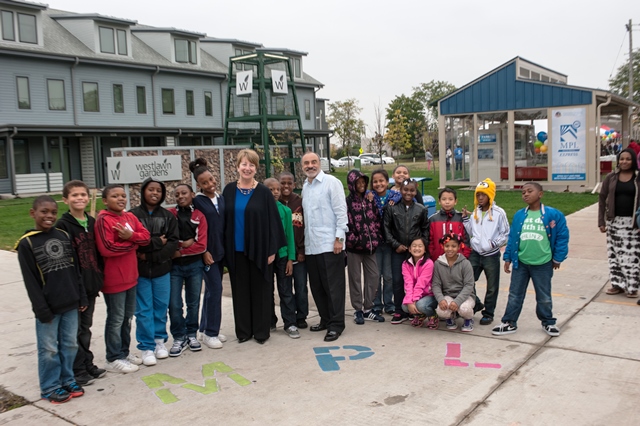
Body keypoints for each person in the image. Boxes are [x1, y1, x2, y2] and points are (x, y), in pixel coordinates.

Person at [16, 196, 88, 404]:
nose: (49, 216)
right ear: (33, 213)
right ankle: (50, 386)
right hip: (48, 307)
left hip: (71, 303)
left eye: (53, 212)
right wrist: (41, 309)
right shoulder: (27, 243)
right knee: (48, 349)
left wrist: (81, 296)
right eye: (44, 212)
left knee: (70, 344)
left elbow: (75, 270)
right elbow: (31, 282)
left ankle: (68, 379)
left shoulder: (64, 236)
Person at [223, 149, 285, 344]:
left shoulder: (264, 192)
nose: (247, 168)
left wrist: (271, 250)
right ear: (238, 166)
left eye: (251, 165)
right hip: (236, 250)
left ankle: (261, 331)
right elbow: (224, 221)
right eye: (244, 164)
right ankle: (243, 331)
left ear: (256, 168)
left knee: (261, 292)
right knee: (240, 292)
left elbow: (274, 223)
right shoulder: (229, 190)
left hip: (260, 251)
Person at [492, 182, 569, 337]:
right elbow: (513, 237)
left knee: (544, 296)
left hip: (543, 263)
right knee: (515, 294)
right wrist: (507, 257)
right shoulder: (521, 215)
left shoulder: (553, 215)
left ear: (540, 194)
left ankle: (548, 322)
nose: (525, 194)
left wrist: (558, 258)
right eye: (523, 192)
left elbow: (562, 237)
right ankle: (509, 322)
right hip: (521, 263)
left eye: (529, 191)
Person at [95, 184, 150, 373]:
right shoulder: (104, 220)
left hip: (131, 277)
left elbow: (146, 237)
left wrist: (130, 236)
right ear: (105, 201)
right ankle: (112, 357)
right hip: (114, 280)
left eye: (123, 196)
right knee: (116, 318)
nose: (120, 199)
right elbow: (107, 248)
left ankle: (124, 352)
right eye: (115, 196)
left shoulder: (129, 217)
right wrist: (133, 244)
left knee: (127, 318)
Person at [56, 181, 106, 386]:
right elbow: (69, 262)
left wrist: (99, 278)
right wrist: (79, 292)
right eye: (74, 195)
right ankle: (76, 370)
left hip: (91, 284)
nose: (79, 198)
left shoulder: (91, 221)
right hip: (75, 288)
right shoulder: (63, 226)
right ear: (65, 199)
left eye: (83, 195)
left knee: (85, 327)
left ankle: (87, 363)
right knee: (74, 331)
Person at [130, 178, 179, 366]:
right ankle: (146, 347)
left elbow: (173, 243)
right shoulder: (132, 216)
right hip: (140, 272)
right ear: (143, 192)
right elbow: (134, 243)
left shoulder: (168, 217)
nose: (154, 193)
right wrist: (158, 242)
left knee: (160, 308)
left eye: (158, 190)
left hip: (162, 270)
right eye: (151, 189)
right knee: (143, 310)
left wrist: (149, 255)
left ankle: (159, 342)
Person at [301, 152, 348, 342]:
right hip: (312, 245)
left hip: (330, 245)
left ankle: (336, 325)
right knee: (317, 287)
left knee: (333, 287)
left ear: (320, 163)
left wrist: (339, 238)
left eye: (313, 162)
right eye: (306, 163)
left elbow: (341, 212)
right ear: (302, 166)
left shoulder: (331, 182)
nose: (310, 166)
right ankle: (325, 319)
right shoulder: (306, 186)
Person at [189, 158, 227, 349]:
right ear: (199, 185)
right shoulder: (197, 202)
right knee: (215, 290)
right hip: (208, 254)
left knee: (212, 291)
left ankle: (205, 329)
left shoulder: (221, 198)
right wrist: (203, 251)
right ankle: (212, 332)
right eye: (205, 183)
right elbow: (195, 230)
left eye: (211, 180)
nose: (210, 184)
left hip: (221, 252)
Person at [462, 178, 510, 325]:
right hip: (476, 253)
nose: (480, 198)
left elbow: (506, 233)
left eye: (483, 194)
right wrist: (465, 220)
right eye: (478, 195)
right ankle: (476, 303)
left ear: (490, 195)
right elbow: (472, 231)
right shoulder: (475, 212)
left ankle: (488, 313)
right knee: (468, 280)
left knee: (492, 285)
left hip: (491, 254)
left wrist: (493, 243)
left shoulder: (498, 213)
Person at [167, 184, 208, 357]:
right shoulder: (170, 215)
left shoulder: (199, 216)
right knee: (174, 304)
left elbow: (201, 245)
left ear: (192, 194)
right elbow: (168, 240)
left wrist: (179, 250)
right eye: (177, 194)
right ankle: (179, 336)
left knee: (193, 303)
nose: (180, 196)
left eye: (184, 193)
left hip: (195, 266)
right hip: (174, 267)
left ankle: (191, 334)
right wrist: (183, 244)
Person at [383, 179, 429, 324]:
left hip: (415, 252)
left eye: (411, 190)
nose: (408, 193)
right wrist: (395, 244)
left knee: (415, 281)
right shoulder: (392, 208)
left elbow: (425, 229)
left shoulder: (421, 209)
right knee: (397, 280)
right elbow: (386, 228)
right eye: (405, 190)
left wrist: (419, 247)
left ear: (415, 191)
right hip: (398, 250)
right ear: (400, 190)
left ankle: (413, 309)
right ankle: (398, 310)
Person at [598, 148, 640, 298]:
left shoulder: (638, 177)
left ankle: (632, 287)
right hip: (614, 222)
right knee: (614, 254)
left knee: (631, 255)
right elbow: (602, 199)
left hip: (633, 223)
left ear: (633, 160)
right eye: (622, 159)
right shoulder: (611, 177)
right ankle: (617, 285)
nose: (624, 162)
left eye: (628, 159)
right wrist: (601, 221)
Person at [345, 169, 385, 324]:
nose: (361, 185)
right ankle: (358, 310)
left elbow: (376, 218)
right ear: (351, 185)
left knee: (374, 276)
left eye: (363, 182)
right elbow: (345, 223)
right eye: (358, 183)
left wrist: (376, 236)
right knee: (355, 278)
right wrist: (353, 239)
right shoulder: (347, 202)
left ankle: (368, 308)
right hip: (355, 247)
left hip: (370, 246)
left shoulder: (370, 199)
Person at [264, 178, 298, 338]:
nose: (276, 192)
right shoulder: (260, 210)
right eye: (271, 189)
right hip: (266, 257)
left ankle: (290, 323)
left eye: (277, 189)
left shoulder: (286, 211)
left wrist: (291, 258)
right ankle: (269, 321)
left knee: (285, 290)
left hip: (283, 256)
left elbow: (290, 237)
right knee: (267, 290)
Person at [278, 172, 309, 329]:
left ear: (294, 185)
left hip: (299, 253)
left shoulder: (300, 203)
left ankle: (301, 316)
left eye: (289, 183)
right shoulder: (275, 203)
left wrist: (302, 250)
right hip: (283, 254)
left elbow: (304, 227)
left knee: (301, 286)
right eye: (282, 183)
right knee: (285, 289)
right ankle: (288, 317)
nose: (286, 186)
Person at [369, 169, 399, 316]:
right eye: (375, 181)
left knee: (388, 275)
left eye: (382, 181)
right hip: (375, 242)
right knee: (376, 275)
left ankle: (389, 303)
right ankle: (376, 304)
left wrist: (397, 200)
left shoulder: (394, 196)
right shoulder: (369, 197)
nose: (378, 184)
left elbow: (407, 198)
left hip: (388, 242)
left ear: (387, 182)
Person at [432, 233, 476, 332]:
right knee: (441, 310)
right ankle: (450, 317)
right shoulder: (438, 264)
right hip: (448, 295)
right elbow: (436, 284)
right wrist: (440, 299)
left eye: (453, 246)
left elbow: (469, 285)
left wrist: (457, 301)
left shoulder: (465, 263)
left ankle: (469, 319)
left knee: (464, 309)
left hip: (465, 296)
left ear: (459, 247)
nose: (450, 249)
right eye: (447, 246)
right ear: (442, 246)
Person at [402, 237, 437, 329]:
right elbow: (408, 283)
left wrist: (413, 301)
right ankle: (420, 315)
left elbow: (421, 283)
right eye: (414, 246)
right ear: (409, 249)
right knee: (405, 306)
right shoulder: (405, 264)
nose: (417, 248)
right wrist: (409, 301)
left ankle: (433, 315)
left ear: (425, 249)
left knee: (420, 305)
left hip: (430, 294)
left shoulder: (429, 263)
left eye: (420, 246)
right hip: (417, 295)